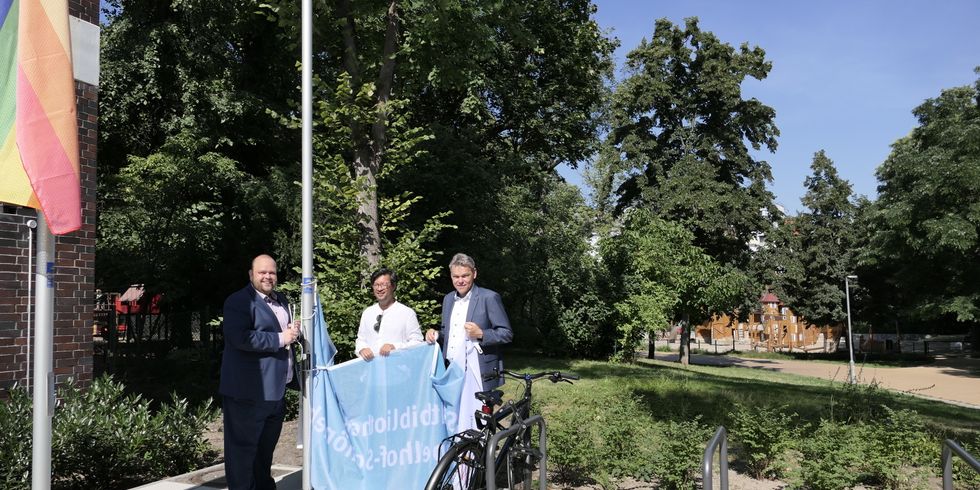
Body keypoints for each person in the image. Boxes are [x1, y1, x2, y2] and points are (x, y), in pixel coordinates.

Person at [219, 254, 301, 490]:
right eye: (262, 272)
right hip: (247, 393)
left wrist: (291, 331)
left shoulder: (282, 300)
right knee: (242, 454)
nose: (267, 276)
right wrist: (280, 337)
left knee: (264, 452)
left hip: (276, 392)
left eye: (272, 272)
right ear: (251, 275)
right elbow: (239, 337)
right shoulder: (238, 301)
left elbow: (283, 335)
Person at [426, 253, 512, 391]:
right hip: (450, 369)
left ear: (474, 273)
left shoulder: (489, 297)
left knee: (477, 413)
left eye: (465, 276)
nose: (460, 281)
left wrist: (481, 334)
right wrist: (435, 334)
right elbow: (447, 334)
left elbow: (506, 333)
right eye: (456, 276)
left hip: (477, 371)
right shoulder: (448, 299)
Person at [355, 267, 423, 360]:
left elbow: (418, 343)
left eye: (384, 284)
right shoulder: (367, 313)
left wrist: (394, 347)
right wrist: (362, 349)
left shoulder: (407, 313)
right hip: (372, 370)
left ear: (393, 286)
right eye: (376, 285)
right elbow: (360, 340)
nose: (379, 289)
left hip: (398, 369)